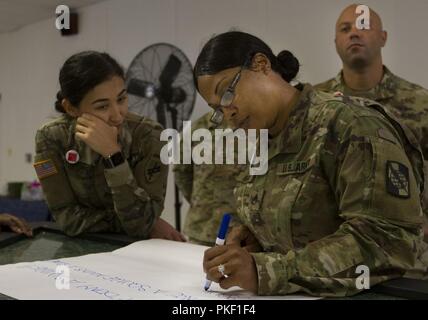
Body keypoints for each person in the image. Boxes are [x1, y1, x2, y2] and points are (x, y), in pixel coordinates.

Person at [197, 31, 427, 297]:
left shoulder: (350, 124)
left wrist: (267, 271)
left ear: (261, 64)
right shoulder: (263, 139)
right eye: (217, 109)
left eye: (226, 93)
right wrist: (256, 238)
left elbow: (384, 240)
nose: (228, 114)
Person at [34, 51, 184, 241]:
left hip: (137, 252)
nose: (117, 115)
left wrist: (113, 156)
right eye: (102, 106)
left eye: (121, 99)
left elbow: (141, 224)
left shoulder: (151, 136)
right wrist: (135, 222)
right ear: (71, 108)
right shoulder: (50, 139)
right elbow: (67, 219)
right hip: (81, 249)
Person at [314, 4, 428, 239]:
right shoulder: (316, 103)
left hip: (408, 246)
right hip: (334, 244)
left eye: (363, 26)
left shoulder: (420, 103)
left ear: (383, 37)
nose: (354, 33)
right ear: (335, 42)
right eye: (345, 29)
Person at [173, 112, 243, 245]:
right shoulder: (198, 128)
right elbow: (181, 171)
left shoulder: (252, 126)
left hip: (240, 233)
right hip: (202, 227)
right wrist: (199, 200)